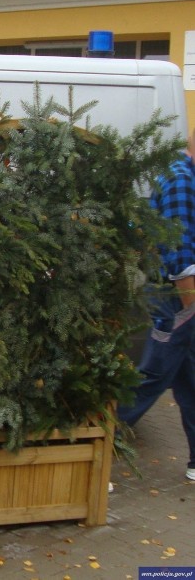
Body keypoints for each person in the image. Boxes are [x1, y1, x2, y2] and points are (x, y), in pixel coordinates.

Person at [118, 127, 195, 481]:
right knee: (152, 375)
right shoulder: (181, 180)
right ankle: (102, 445)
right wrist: (190, 307)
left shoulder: (180, 172)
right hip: (177, 299)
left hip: (176, 298)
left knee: (190, 378)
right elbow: (179, 254)